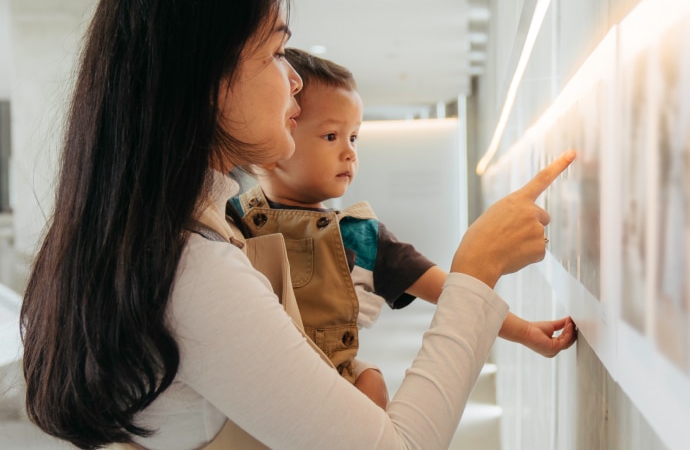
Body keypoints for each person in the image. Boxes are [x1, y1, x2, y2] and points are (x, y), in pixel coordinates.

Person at [19, 0, 575, 449]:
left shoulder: (161, 242)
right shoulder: (194, 269)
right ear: (211, 78)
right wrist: (477, 269)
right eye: (277, 53)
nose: (293, 83)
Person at [228, 48, 577, 408]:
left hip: (327, 406)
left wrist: (525, 333)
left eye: (354, 138)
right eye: (331, 136)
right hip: (253, 399)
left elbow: (455, 291)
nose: (349, 152)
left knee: (370, 383)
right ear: (276, 134)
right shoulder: (228, 222)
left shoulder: (359, 236)